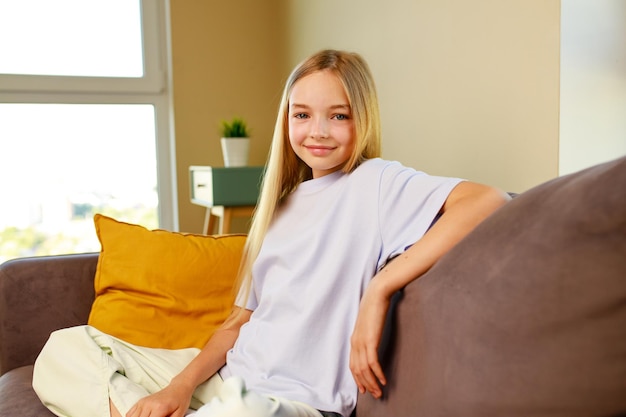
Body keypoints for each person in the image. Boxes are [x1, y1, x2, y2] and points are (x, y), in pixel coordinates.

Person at [32, 49, 510, 417]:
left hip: (286, 404)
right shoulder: (280, 208)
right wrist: (177, 386)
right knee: (66, 348)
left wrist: (380, 289)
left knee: (245, 409)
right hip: (229, 380)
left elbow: (487, 200)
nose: (317, 131)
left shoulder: (377, 182)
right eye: (302, 114)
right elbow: (238, 324)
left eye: (337, 115)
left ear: (361, 118)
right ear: (287, 121)